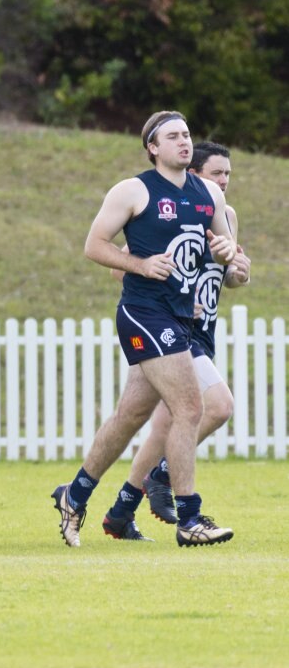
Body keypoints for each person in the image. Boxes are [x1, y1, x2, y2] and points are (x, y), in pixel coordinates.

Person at [52, 111, 237, 547]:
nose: (184, 142)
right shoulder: (133, 190)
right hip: (142, 311)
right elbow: (93, 245)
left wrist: (228, 251)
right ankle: (189, 520)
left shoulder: (208, 192)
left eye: (187, 135)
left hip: (179, 317)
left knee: (130, 416)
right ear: (153, 147)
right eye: (173, 136)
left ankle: (74, 496)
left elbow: (224, 253)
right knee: (190, 408)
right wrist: (140, 264)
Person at [98, 140, 250, 539]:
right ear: (193, 175)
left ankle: (119, 510)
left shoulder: (223, 214)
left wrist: (238, 269)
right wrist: (166, 281)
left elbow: (227, 276)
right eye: (217, 173)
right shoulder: (167, 211)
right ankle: (164, 483)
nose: (224, 181)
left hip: (202, 331)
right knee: (217, 406)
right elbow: (125, 268)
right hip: (169, 327)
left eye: (228, 174)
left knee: (161, 423)